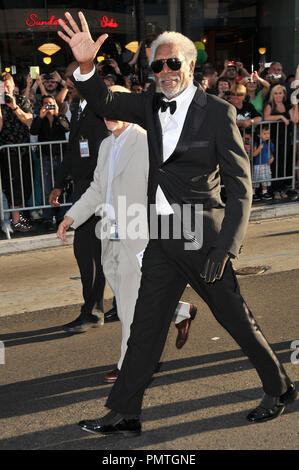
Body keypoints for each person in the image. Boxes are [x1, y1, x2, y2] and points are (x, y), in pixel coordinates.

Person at [58, 12, 296, 437]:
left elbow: (241, 188)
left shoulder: (219, 113)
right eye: (157, 65)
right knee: (146, 324)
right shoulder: (147, 104)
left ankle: (279, 388)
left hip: (201, 232)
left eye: (173, 63)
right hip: (161, 232)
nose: (165, 72)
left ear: (191, 66)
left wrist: (227, 247)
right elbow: (106, 102)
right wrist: (86, 68)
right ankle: (124, 411)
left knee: (234, 317)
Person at [57, 85, 197, 381]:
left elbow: (165, 187)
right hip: (110, 232)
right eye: (104, 110)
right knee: (133, 299)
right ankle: (180, 311)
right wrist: (72, 216)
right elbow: (97, 188)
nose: (108, 115)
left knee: (129, 304)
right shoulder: (107, 145)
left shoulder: (146, 141)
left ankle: (132, 363)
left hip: (138, 234)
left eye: (114, 108)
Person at [49, 74, 117, 332]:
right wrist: (60, 183)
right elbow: (73, 149)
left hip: (99, 191)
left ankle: (93, 312)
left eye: (70, 78)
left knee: (93, 252)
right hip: (84, 189)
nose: (67, 83)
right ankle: (112, 307)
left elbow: (104, 153)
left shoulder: (102, 108)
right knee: (95, 252)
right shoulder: (78, 107)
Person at [30, 94, 70, 229]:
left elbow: (67, 128)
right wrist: (41, 117)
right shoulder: (39, 119)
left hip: (60, 158)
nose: (48, 106)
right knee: (47, 189)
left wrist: (57, 115)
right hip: (45, 158)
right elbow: (33, 131)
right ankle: (48, 218)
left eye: (51, 103)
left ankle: (60, 218)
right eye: (45, 103)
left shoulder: (61, 117)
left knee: (61, 188)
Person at [0, 72, 34, 232]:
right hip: (7, 151)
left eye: (7, 85)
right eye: (2, 86)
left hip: (24, 150)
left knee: (26, 185)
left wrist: (14, 106)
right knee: (13, 186)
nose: (5, 89)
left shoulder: (21, 101)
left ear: (13, 86)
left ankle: (19, 217)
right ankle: (16, 220)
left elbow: (29, 120)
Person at [263, 84, 299, 200]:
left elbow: (294, 119)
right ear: (272, 95)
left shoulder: (287, 105)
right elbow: (266, 117)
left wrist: (295, 106)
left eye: (280, 93)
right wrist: (281, 117)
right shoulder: (269, 105)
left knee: (285, 164)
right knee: (275, 164)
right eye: (276, 93)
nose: (278, 95)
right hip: (273, 139)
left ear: (284, 94)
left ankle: (282, 188)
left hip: (285, 139)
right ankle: (275, 190)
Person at [252, 125, 274, 202]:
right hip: (258, 164)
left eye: (268, 133)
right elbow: (254, 154)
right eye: (264, 133)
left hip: (266, 164)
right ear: (259, 135)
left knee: (265, 178)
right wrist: (259, 148)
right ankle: (253, 193)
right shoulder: (256, 143)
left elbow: (271, 152)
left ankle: (264, 192)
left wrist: (272, 158)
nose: (267, 135)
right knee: (256, 178)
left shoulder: (269, 142)